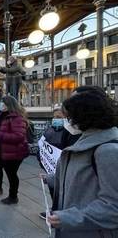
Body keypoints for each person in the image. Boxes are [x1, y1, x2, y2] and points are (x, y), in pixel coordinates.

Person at [47, 90, 118, 238]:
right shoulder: (84, 140)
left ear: (84, 116)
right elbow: (82, 178)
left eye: (70, 117)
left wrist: (68, 218)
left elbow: (113, 207)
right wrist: (52, 178)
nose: (69, 121)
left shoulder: (108, 151)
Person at [0, 96, 29, 205]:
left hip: (13, 152)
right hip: (0, 149)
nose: (1, 104)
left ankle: (13, 197)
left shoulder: (17, 118)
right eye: (1, 102)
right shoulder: (0, 115)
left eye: (3, 103)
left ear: (9, 105)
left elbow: (19, 136)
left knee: (11, 175)